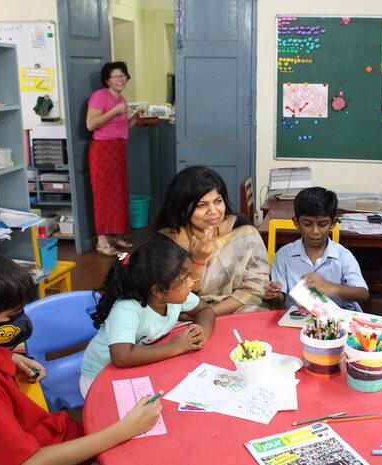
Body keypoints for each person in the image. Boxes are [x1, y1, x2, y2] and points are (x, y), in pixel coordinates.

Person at [0, 250, 162, 465]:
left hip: (52, 436)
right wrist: (126, 429)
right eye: (12, 316)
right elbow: (28, 461)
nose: (22, 321)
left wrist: (11, 358)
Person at [80, 235, 215, 396]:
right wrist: (177, 346)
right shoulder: (127, 309)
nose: (192, 283)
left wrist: (200, 333)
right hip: (100, 377)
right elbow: (121, 357)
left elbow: (205, 310)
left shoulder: (174, 298)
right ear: (158, 290)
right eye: (184, 280)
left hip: (138, 366)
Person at [155, 166, 271, 315]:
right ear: (182, 209)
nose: (213, 211)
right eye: (201, 205)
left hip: (238, 309)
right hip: (189, 317)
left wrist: (210, 313)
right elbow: (177, 300)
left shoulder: (240, 229)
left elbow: (257, 285)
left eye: (217, 201)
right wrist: (198, 261)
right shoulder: (167, 244)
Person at [264, 187, 369, 311]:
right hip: (299, 319)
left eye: (323, 224)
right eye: (307, 224)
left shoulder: (343, 255)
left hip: (336, 321)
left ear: (333, 223)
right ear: (296, 223)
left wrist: (331, 287)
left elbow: (363, 294)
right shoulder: (284, 255)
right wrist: (274, 295)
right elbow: (280, 297)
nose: (315, 231)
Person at [85, 61, 142, 256]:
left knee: (118, 193)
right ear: (107, 80)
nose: (120, 79)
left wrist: (135, 117)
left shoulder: (122, 100)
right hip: (102, 150)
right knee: (103, 195)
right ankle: (101, 241)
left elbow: (121, 127)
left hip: (118, 149)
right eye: (115, 76)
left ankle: (114, 234)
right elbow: (91, 124)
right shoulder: (99, 97)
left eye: (123, 75)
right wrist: (114, 111)